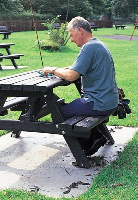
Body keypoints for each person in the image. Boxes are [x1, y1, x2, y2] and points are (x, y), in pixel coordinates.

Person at [42, 16, 119, 156]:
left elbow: (72, 76)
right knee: (64, 108)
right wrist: (64, 69)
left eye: (72, 35)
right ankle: (96, 136)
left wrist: (53, 70)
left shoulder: (88, 48)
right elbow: (76, 69)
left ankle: (91, 142)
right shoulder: (99, 44)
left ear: (80, 31)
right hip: (110, 101)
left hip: (98, 103)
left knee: (57, 113)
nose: (71, 39)